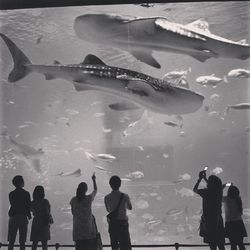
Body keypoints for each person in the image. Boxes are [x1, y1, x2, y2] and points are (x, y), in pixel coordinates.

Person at [193, 170, 225, 250]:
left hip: (209, 222)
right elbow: (215, 187)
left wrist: (200, 179)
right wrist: (205, 178)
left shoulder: (206, 192)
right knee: (221, 245)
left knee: (212, 245)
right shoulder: (219, 192)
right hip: (218, 221)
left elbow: (195, 189)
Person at [70, 172, 98, 250]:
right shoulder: (88, 199)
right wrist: (94, 180)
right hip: (88, 230)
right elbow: (95, 190)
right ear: (86, 190)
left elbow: (73, 212)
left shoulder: (73, 200)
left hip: (77, 231)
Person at [104, 175, 132, 250]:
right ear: (120, 184)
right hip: (123, 224)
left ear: (110, 185)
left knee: (114, 245)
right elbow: (130, 207)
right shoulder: (125, 196)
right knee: (125, 245)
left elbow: (108, 210)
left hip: (113, 224)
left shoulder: (106, 197)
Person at [8, 175, 31, 250]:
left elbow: (13, 204)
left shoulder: (11, 194)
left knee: (11, 240)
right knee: (22, 241)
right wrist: (29, 215)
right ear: (21, 182)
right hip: (23, 217)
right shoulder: (26, 193)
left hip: (13, 217)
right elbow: (28, 206)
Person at [222, 184, 248, 250]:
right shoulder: (238, 200)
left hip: (230, 224)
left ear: (229, 192)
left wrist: (222, 188)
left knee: (233, 245)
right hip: (239, 223)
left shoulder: (226, 199)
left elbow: (218, 197)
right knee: (241, 244)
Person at [30, 185, 53, 250]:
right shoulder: (45, 201)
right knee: (44, 242)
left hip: (36, 221)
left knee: (35, 242)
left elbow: (31, 210)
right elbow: (48, 211)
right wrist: (50, 219)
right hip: (44, 222)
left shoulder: (33, 202)